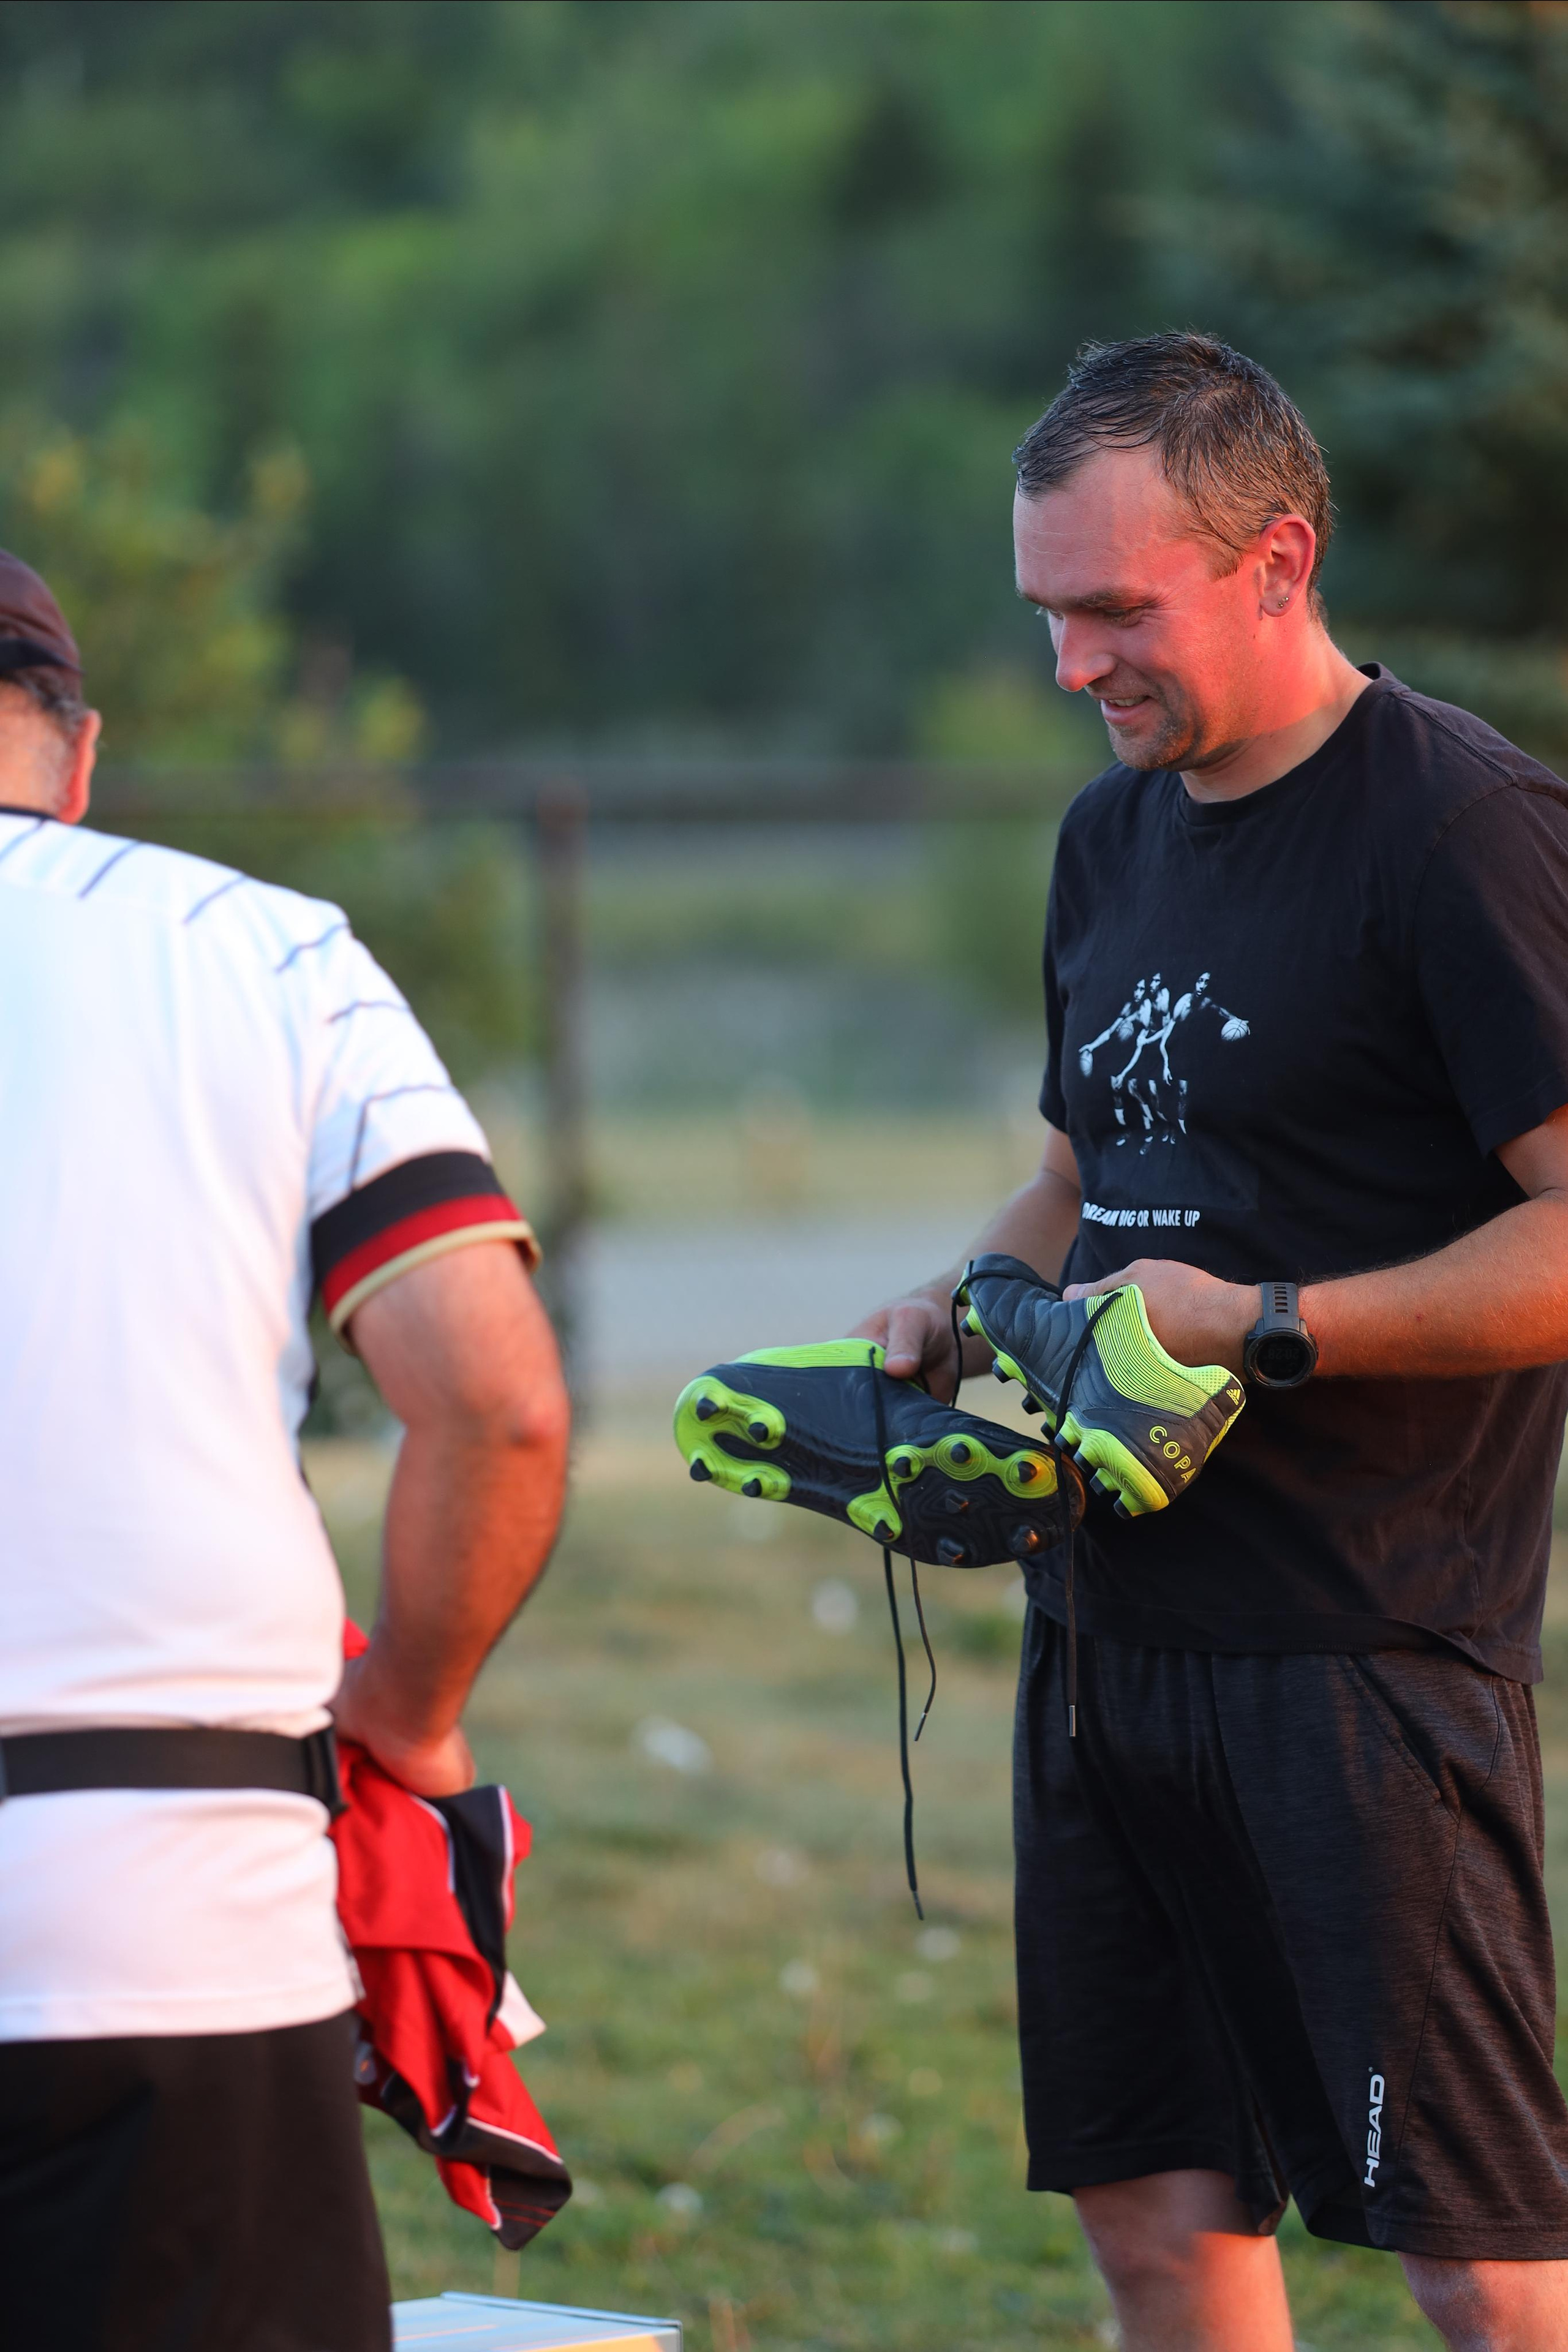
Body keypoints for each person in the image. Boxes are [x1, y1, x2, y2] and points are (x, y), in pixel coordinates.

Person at [854, 334, 1568, 2351]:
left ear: (1279, 561)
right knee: (1158, 2222)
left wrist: (1262, 1328)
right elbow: (1083, 1174)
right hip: (1107, 1634)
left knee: (1479, 2258)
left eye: (1112, 611)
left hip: (1366, 1648)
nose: (1069, 665)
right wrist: (948, 1303)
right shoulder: (1113, 837)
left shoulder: (1465, 829)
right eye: (1046, 614)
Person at [0, 550, 570, 2351]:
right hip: (169, 1907)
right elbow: (495, 1401)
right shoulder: (256, 949)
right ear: (79, 755)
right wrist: (406, 1710)